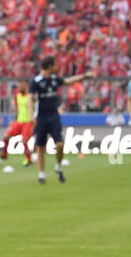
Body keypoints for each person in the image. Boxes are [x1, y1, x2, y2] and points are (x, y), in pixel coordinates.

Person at [30, 56, 92, 184]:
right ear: (49, 66)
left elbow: (69, 81)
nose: (57, 67)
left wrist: (84, 76)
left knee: (60, 144)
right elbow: (29, 99)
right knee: (40, 147)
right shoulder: (36, 81)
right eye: (55, 65)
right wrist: (32, 115)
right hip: (41, 117)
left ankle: (58, 165)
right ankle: (41, 175)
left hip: (53, 116)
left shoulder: (54, 79)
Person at [0, 79, 36, 166]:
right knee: (6, 136)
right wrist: (14, 120)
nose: (18, 87)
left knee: (24, 141)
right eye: (18, 86)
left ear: (26, 85)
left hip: (28, 122)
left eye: (20, 85)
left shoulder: (31, 96)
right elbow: (19, 110)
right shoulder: (18, 96)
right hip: (19, 121)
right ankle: (4, 154)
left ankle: (29, 160)